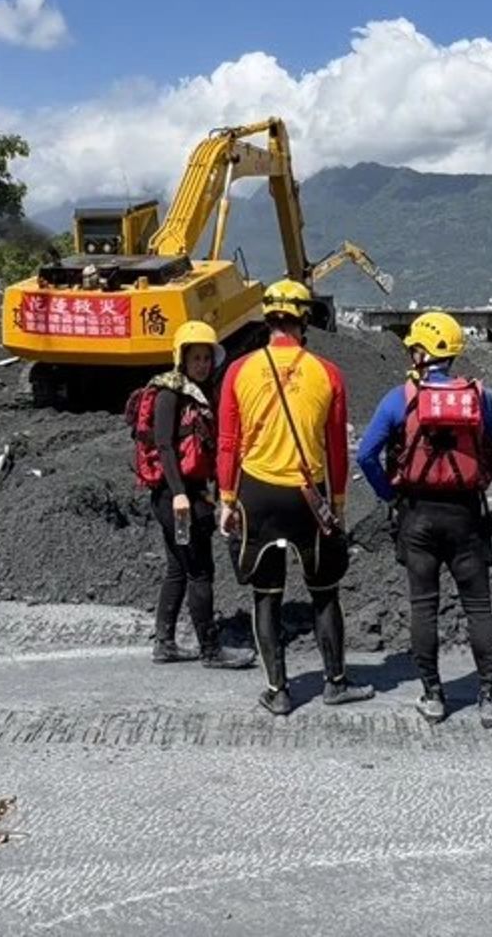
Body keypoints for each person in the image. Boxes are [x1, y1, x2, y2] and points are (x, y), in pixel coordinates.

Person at [216, 280, 375, 715]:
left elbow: (228, 441)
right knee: (324, 592)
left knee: (267, 594)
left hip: (257, 493)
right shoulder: (328, 373)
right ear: (304, 320)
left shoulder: (238, 370)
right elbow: (338, 448)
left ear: (267, 320)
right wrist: (338, 503)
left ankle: (278, 691)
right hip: (309, 495)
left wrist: (227, 499)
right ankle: (335, 682)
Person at [356, 311, 492, 729]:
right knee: (479, 608)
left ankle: (433, 696)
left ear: (421, 351)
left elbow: (366, 455)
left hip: (417, 515)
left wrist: (391, 494)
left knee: (423, 607)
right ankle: (490, 699)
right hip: (465, 515)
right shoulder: (481, 396)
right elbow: (488, 440)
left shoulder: (400, 397)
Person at [133, 320, 255, 670]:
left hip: (183, 496)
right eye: (196, 357)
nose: (202, 364)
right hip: (178, 501)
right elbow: (164, 446)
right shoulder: (171, 394)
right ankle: (211, 650)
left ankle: (165, 643)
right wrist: (179, 495)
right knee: (200, 570)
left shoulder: (199, 395)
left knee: (177, 567)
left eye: (206, 358)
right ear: (181, 358)